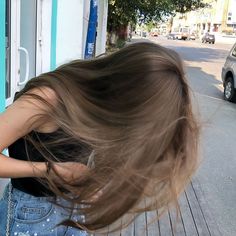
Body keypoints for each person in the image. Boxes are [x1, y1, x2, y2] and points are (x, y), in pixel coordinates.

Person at [0, 42, 199, 235]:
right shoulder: (47, 100)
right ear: (122, 94)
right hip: (32, 215)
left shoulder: (97, 106)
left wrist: (90, 185)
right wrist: (50, 170)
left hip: (75, 211)